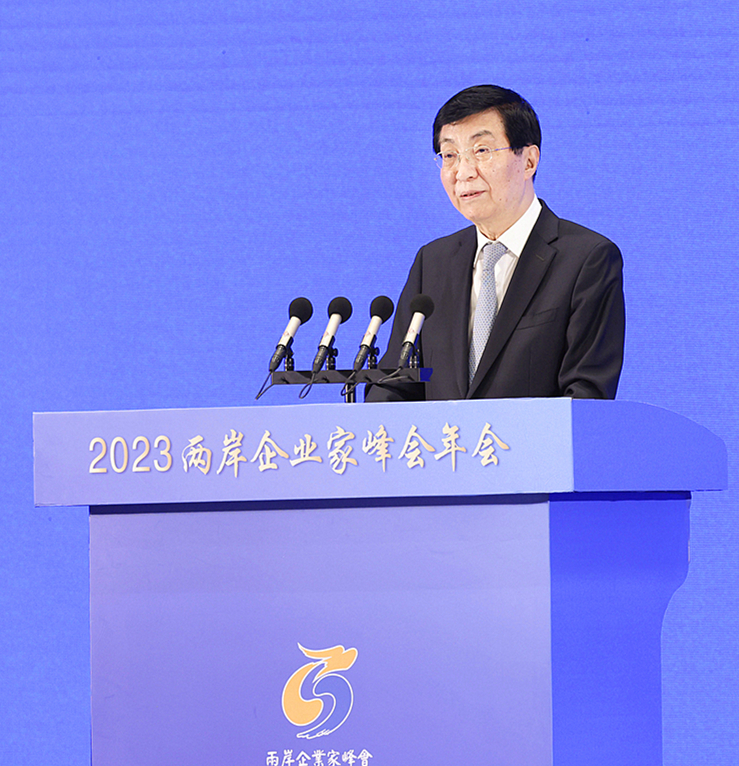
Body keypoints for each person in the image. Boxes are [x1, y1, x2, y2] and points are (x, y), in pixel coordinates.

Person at [366, 84, 625, 402]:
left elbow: (586, 395)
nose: (463, 172)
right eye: (450, 155)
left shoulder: (586, 259)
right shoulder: (431, 262)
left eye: (481, 151)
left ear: (528, 161)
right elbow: (394, 384)